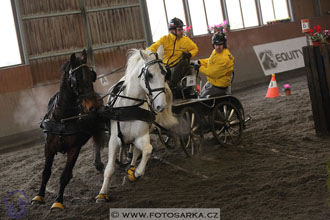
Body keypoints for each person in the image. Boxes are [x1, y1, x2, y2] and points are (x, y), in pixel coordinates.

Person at [147, 17, 198, 96]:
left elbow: (195, 48)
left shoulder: (186, 40)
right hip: (166, 67)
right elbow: (153, 47)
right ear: (173, 30)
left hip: (179, 67)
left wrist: (189, 54)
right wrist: (146, 53)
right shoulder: (164, 39)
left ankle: (173, 86)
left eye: (182, 29)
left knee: (183, 63)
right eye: (179, 30)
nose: (182, 31)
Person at [191, 32, 234, 98]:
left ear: (224, 44)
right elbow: (211, 61)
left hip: (218, 86)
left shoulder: (224, 58)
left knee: (201, 100)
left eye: (220, 45)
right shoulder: (216, 52)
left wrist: (199, 68)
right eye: (216, 45)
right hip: (213, 82)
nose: (217, 47)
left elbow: (211, 73)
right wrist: (199, 62)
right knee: (201, 95)